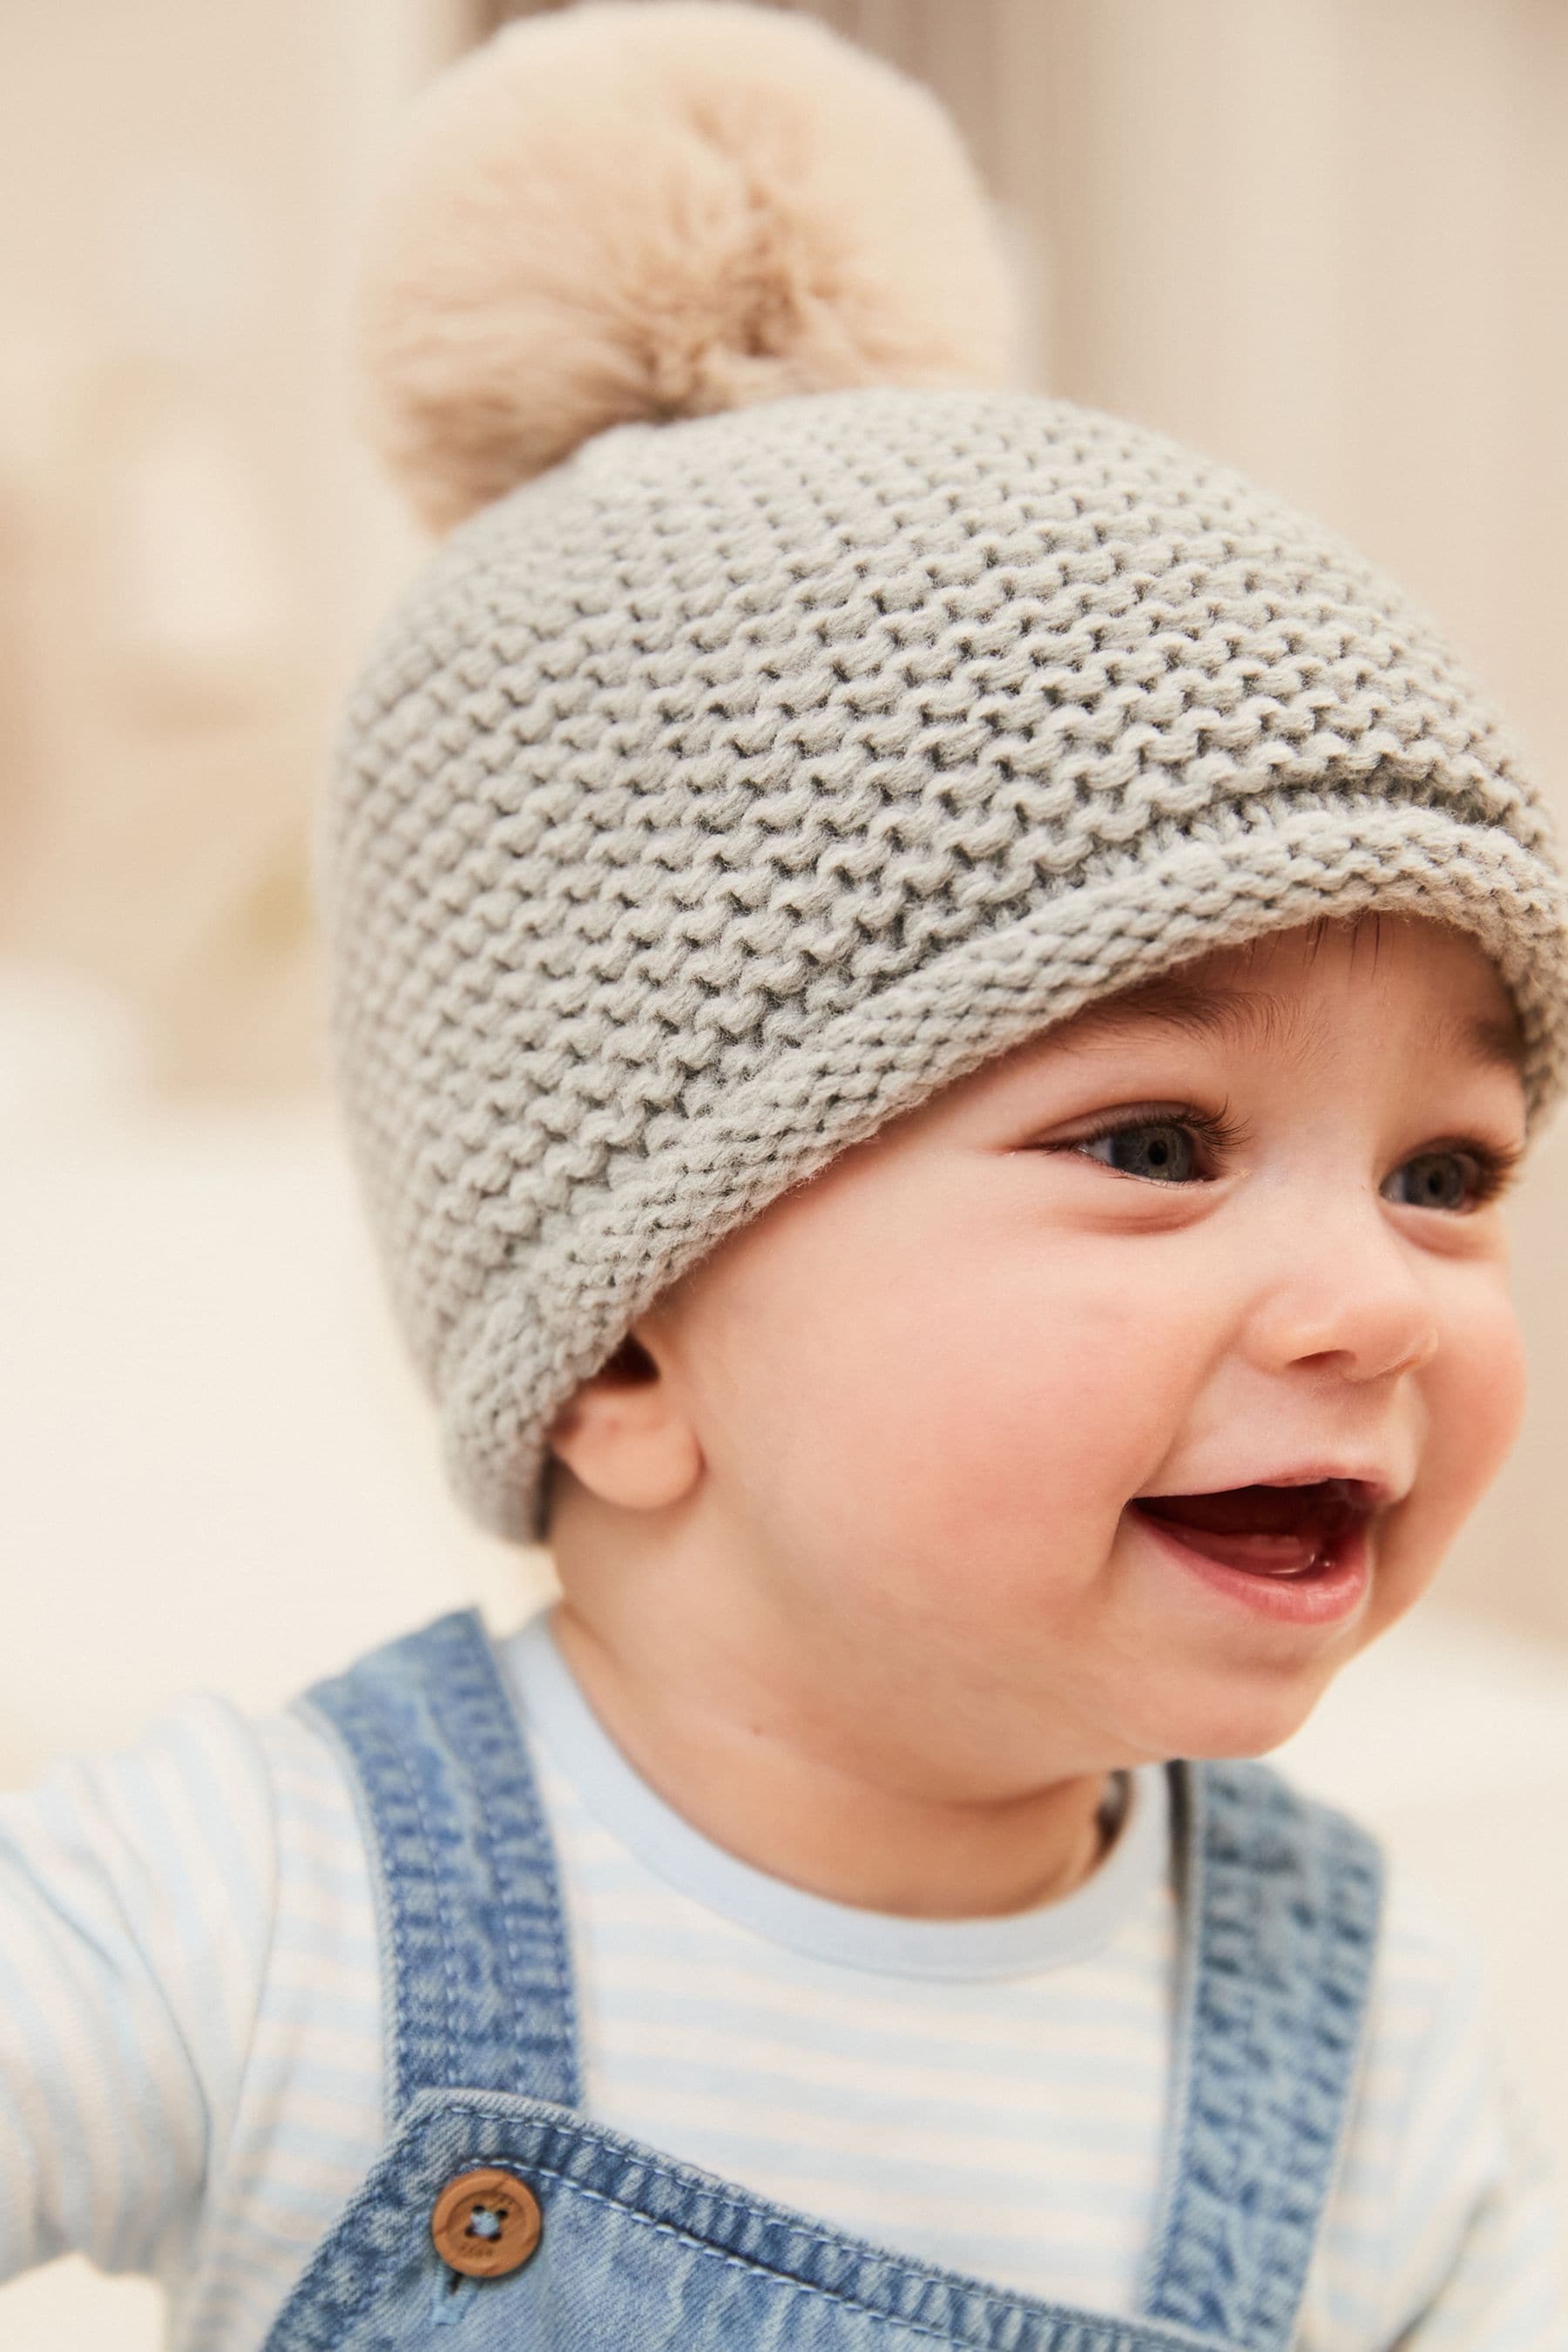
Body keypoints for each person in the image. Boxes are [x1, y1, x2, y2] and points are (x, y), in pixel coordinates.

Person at [3, 5, 1567, 2346]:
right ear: (630, 1336)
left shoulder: (1376, 2059)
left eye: (1448, 1169)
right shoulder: (255, 1902)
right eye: (1160, 1142)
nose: (1381, 1297)